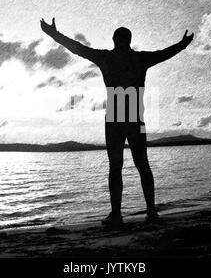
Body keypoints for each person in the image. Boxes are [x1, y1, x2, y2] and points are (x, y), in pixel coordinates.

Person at [41, 18, 194, 227]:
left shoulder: (106, 57)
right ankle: (148, 212)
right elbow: (165, 54)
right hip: (131, 117)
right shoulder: (139, 59)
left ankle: (119, 214)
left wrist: (53, 34)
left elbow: (77, 48)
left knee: (118, 167)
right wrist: (182, 44)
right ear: (129, 41)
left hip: (116, 118)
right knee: (140, 165)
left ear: (115, 40)